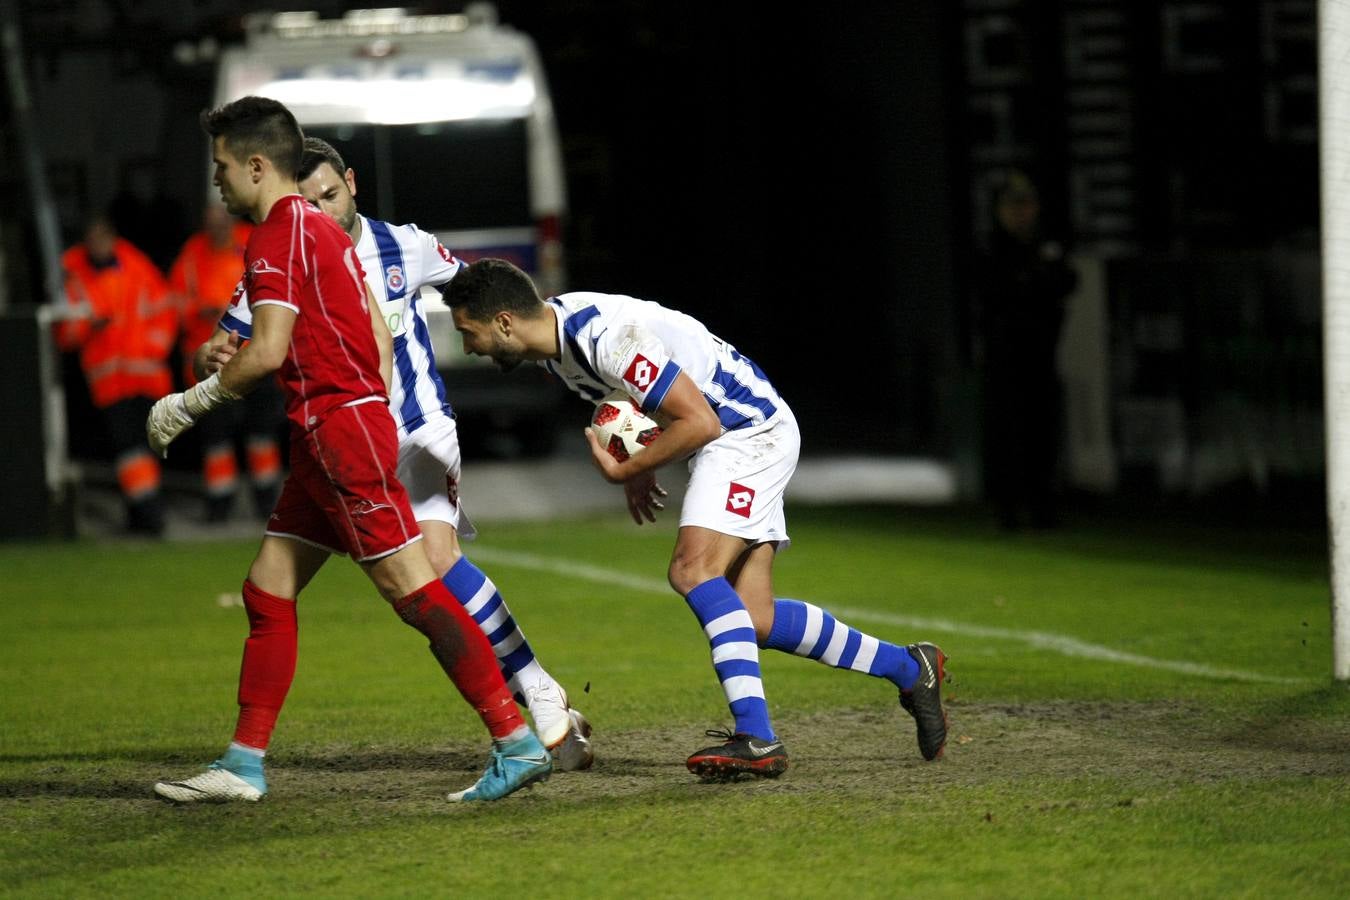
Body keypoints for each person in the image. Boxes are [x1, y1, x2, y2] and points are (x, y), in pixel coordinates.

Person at [145, 96, 551, 803]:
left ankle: (514, 739)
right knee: (268, 584)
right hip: (335, 429)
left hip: (337, 432)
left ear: (256, 164)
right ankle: (243, 764)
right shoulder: (318, 226)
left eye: (220, 167)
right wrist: (368, 393)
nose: (216, 182)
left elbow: (268, 351)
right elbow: (374, 321)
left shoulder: (277, 234)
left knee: (417, 590)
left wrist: (188, 404)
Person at [443, 259, 950, 780]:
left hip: (744, 432)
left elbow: (700, 420)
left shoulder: (603, 336)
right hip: (744, 433)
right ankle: (910, 668)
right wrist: (643, 460)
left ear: (504, 321)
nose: (468, 346)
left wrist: (628, 470)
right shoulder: (559, 355)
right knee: (753, 618)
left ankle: (757, 738)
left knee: (693, 570)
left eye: (469, 331)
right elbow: (637, 404)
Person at [55, 213, 175, 536]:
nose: (98, 245)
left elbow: (164, 312)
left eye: (102, 238)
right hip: (110, 381)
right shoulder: (74, 276)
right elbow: (65, 334)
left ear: (112, 238)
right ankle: (149, 514)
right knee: (130, 449)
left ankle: (144, 514)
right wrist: (88, 326)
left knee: (140, 449)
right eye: (92, 240)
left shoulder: (137, 267)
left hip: (147, 376)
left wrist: (153, 349)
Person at [972, 169, 1078, 529]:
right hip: (1006, 354)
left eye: (1026, 205)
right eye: (1013, 206)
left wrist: (1031, 284)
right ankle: (1009, 509)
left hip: (1042, 351)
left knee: (1043, 431)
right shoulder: (992, 247)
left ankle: (1043, 505)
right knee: (1008, 433)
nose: (1021, 212)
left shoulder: (1046, 243)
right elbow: (994, 291)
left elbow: (1066, 281)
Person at [168, 204, 284, 522]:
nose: (216, 231)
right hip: (211, 360)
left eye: (220, 224)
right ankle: (220, 505)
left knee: (261, 432)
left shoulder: (252, 243)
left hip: (255, 353)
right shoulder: (192, 255)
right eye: (210, 225)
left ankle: (267, 503)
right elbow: (175, 302)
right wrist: (201, 310)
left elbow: (275, 287)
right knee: (216, 436)